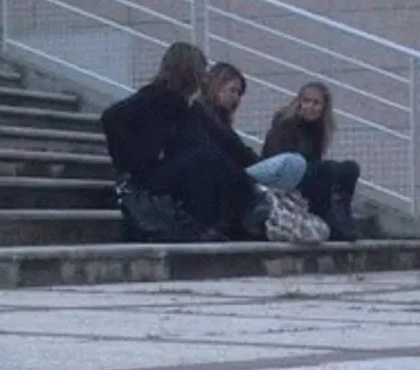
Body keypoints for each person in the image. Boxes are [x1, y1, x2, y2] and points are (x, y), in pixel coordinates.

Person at [101, 42, 269, 241]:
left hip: (167, 169)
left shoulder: (181, 105)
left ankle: (235, 216)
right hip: (148, 175)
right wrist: (131, 163)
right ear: (188, 71)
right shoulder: (155, 96)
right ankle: (237, 213)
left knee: (209, 158)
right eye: (201, 70)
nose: (204, 77)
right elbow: (111, 117)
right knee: (204, 158)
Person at [261, 82, 360, 241]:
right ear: (299, 102)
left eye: (316, 103)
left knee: (351, 168)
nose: (310, 107)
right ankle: (331, 217)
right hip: (284, 181)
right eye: (306, 101)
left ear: (324, 107)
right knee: (328, 169)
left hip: (305, 177)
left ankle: (343, 215)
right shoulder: (285, 124)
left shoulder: (317, 130)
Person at [195, 62, 307, 191]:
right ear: (216, 87)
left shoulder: (221, 120)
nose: (236, 98)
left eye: (239, 93)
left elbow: (242, 153)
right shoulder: (204, 116)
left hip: (236, 174)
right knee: (292, 162)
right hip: (225, 178)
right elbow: (235, 152)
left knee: (296, 165)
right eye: (232, 90)